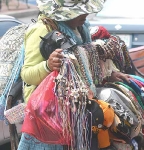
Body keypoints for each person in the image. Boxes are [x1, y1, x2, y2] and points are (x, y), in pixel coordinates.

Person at [17, 0, 134, 149]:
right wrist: (48, 65)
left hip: (78, 106)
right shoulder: (42, 29)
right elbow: (27, 75)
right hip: (49, 114)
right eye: (79, 11)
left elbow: (85, 63)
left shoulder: (82, 28)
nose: (85, 14)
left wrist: (109, 74)